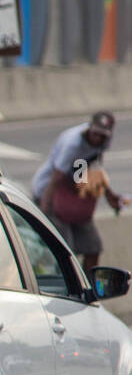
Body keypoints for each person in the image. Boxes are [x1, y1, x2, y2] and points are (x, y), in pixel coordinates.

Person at [32, 111, 126, 271]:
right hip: (50, 196)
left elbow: (94, 170)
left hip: (74, 197)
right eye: (95, 134)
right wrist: (42, 213)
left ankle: (90, 290)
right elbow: (55, 179)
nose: (97, 139)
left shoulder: (103, 141)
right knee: (65, 250)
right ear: (90, 128)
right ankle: (66, 289)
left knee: (92, 247)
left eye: (102, 136)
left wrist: (109, 195)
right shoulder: (72, 144)